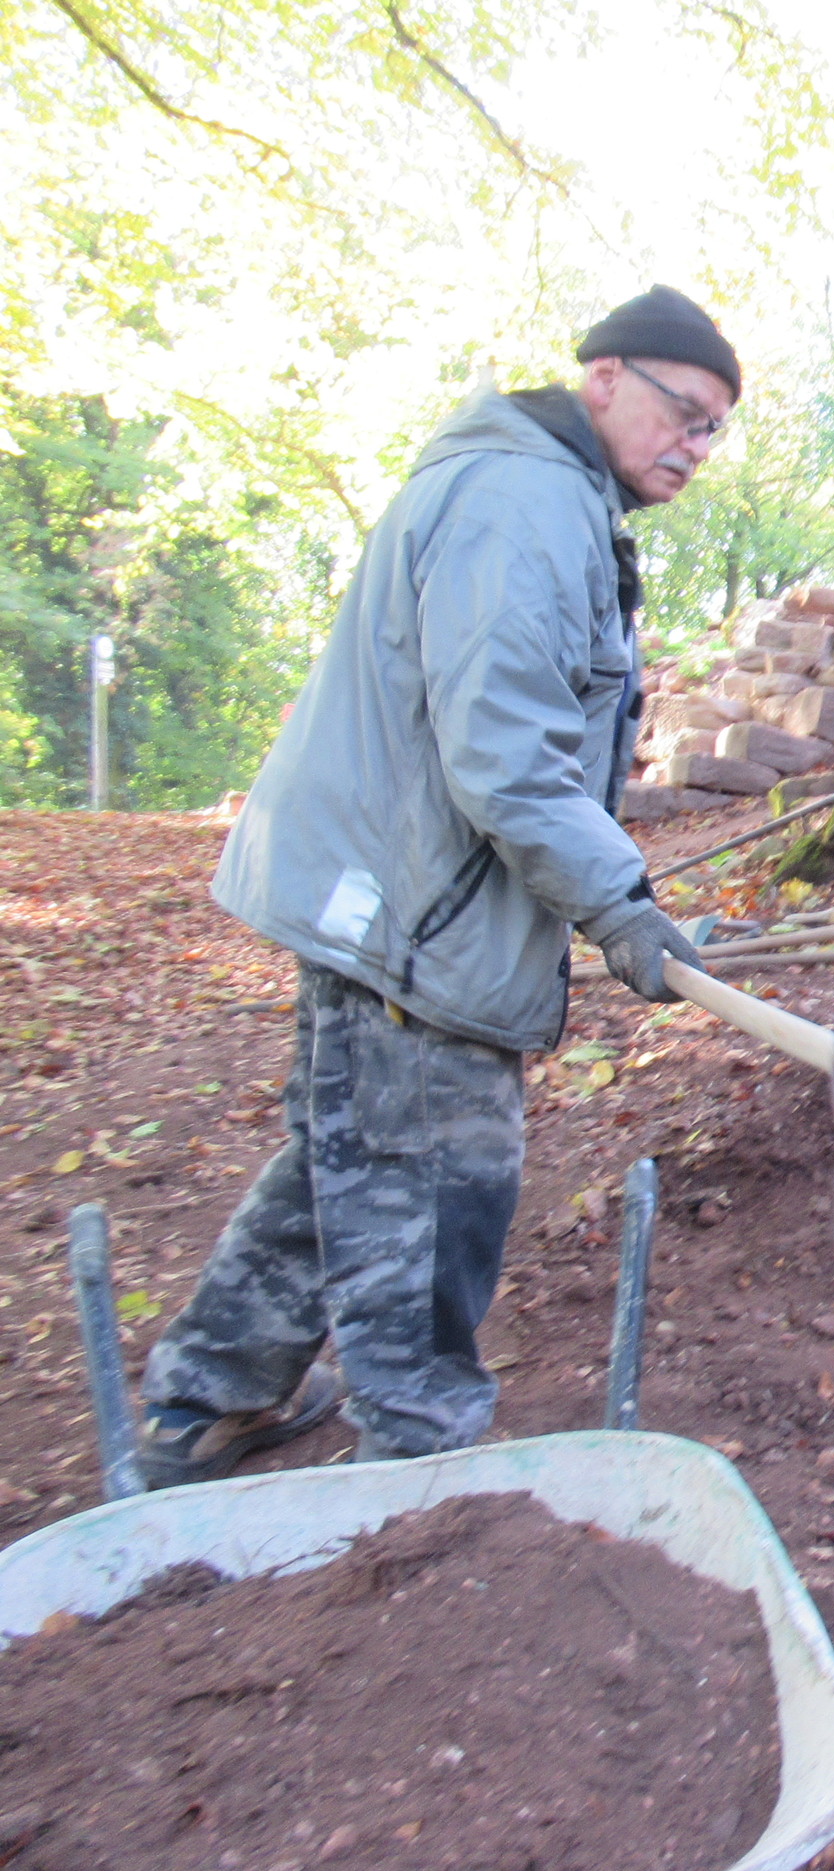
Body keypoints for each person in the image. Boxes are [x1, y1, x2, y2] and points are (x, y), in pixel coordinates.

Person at [134, 287, 737, 1487]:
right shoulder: (525, 503)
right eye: (684, 411)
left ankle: (211, 1401)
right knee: (434, 1181)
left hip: (396, 892)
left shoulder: (545, 493)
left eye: (715, 429)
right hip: (416, 913)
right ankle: (419, 1471)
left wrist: (624, 901)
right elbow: (505, 753)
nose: (696, 445)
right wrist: (617, 904)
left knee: (348, 1155)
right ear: (604, 377)